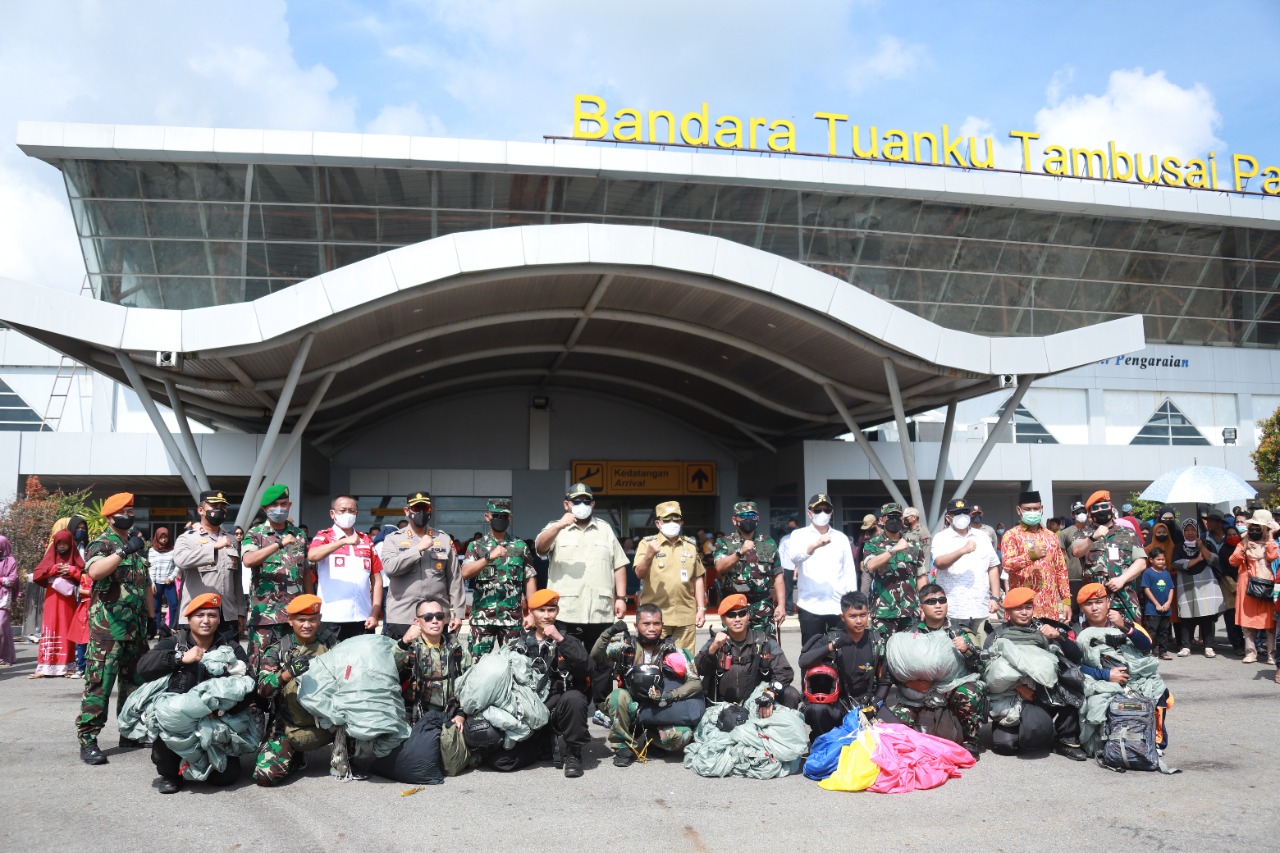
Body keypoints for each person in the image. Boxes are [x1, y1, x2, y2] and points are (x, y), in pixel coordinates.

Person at [135, 593, 251, 793]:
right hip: (178, 721)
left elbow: (249, 686)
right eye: (200, 615)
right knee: (168, 764)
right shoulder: (174, 643)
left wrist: (224, 711)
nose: (206, 621)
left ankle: (206, 762)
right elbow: (143, 667)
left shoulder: (230, 648)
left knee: (225, 778)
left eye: (212, 615)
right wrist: (179, 658)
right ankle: (171, 772)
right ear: (189, 619)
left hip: (216, 720)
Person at [77, 493, 150, 765]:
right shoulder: (103, 543)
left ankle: (129, 732)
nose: (130, 515)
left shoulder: (135, 544)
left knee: (134, 685)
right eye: (124, 511)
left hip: (136, 627)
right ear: (110, 517)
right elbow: (95, 573)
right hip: (108, 628)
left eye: (132, 510)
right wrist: (123, 552)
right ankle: (88, 739)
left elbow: (146, 584)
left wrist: (153, 618)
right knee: (100, 684)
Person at [592, 602, 703, 767]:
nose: (652, 628)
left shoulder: (675, 652)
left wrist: (670, 695)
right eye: (646, 624)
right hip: (633, 707)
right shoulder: (625, 648)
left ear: (662, 625)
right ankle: (623, 745)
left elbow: (695, 683)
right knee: (617, 697)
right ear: (636, 626)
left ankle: (654, 740)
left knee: (682, 737)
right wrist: (609, 632)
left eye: (656, 623)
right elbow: (596, 655)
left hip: (662, 708)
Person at [983, 587, 1086, 760]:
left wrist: (1058, 636)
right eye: (1018, 608)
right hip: (1009, 695)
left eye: (1028, 607)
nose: (1024, 613)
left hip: (1044, 691)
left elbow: (1076, 657)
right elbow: (986, 671)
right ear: (1007, 612)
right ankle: (1026, 727)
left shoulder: (1045, 629)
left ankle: (1066, 740)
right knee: (1006, 746)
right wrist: (1018, 687)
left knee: (1071, 681)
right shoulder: (996, 635)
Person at [888, 583, 988, 759]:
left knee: (970, 692)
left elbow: (981, 668)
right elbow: (894, 667)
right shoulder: (909, 634)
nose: (938, 605)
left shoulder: (960, 632)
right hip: (918, 695)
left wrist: (967, 651)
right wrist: (908, 683)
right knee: (893, 727)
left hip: (952, 692)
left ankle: (970, 740)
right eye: (931, 601)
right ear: (921, 607)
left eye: (942, 600)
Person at [253, 594, 341, 786]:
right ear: (290, 620)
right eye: (301, 620)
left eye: (312, 620)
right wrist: (287, 674)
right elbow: (262, 690)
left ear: (319, 619)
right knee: (266, 775)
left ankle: (346, 757)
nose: (307, 625)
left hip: (330, 721)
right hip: (288, 723)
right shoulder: (278, 650)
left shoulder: (331, 646)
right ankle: (295, 757)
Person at [1075, 582, 1172, 751]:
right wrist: (1105, 674)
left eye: (1099, 602)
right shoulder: (1076, 631)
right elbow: (1073, 666)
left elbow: (1146, 645)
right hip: (1099, 679)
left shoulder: (1122, 622)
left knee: (1157, 688)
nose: (1095, 608)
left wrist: (1124, 627)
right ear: (1082, 608)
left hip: (1133, 677)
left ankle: (1155, 740)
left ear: (1108, 603)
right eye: (1088, 604)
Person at [534, 483, 628, 653]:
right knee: (569, 665)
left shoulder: (605, 529)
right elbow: (540, 547)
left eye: (586, 501)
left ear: (593, 504)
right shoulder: (556, 527)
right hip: (566, 611)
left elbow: (619, 565)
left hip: (601, 612)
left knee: (601, 667)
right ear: (566, 505)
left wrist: (621, 597)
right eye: (576, 501)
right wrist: (559, 526)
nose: (581, 505)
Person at [797, 591, 893, 739]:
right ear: (843, 617)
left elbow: (885, 681)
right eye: (853, 616)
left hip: (866, 704)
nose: (859, 621)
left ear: (869, 614)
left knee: (900, 733)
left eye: (863, 615)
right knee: (816, 710)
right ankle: (822, 741)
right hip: (837, 705)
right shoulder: (832, 638)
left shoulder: (877, 641)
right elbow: (803, 662)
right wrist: (831, 647)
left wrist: (874, 705)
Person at [521, 589, 592, 777]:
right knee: (506, 761)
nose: (546, 615)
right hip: (530, 707)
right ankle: (539, 743)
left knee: (575, 698)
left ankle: (574, 753)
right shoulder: (521, 641)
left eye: (551, 610)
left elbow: (587, 667)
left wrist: (561, 640)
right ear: (531, 612)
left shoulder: (569, 637)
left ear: (557, 611)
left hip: (559, 706)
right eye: (541, 610)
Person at [241, 484, 312, 669]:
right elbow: (248, 560)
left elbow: (305, 574)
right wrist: (278, 544)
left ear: (289, 505)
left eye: (283, 503)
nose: (279, 508)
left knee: (294, 662)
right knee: (260, 664)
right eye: (273, 505)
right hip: (265, 616)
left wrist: (310, 607)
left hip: (294, 615)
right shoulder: (255, 534)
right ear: (265, 509)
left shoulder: (299, 535)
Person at [379, 491, 463, 641]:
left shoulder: (443, 539)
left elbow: (454, 579)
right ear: (407, 511)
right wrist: (417, 549)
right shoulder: (393, 539)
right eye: (417, 509)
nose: (421, 513)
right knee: (403, 661)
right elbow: (390, 568)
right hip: (403, 616)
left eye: (425, 509)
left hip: (436, 617)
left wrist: (457, 614)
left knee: (438, 661)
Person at [695, 593, 800, 711]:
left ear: (748, 616)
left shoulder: (764, 641)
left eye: (742, 613)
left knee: (792, 694)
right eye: (731, 615)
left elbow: (785, 671)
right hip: (724, 707)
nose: (737, 619)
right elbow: (697, 669)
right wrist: (713, 649)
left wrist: (771, 692)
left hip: (760, 702)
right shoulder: (716, 642)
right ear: (723, 619)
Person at [461, 498, 534, 655]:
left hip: (512, 619)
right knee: (477, 666)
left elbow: (530, 578)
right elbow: (465, 573)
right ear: (487, 517)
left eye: (503, 516)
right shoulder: (476, 546)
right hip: (482, 618)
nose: (499, 519)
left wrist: (532, 612)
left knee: (514, 666)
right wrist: (489, 557)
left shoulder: (520, 547)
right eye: (496, 515)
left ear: (510, 518)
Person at [308, 495, 384, 642]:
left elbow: (377, 580)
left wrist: (374, 613)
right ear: (332, 514)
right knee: (332, 663)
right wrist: (343, 542)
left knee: (361, 663)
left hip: (362, 617)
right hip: (331, 618)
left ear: (356, 513)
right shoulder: (324, 536)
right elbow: (312, 555)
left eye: (351, 511)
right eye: (342, 510)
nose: (347, 514)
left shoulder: (366, 540)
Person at [634, 500, 706, 653]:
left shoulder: (690, 545)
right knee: (653, 661)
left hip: (685, 614)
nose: (671, 523)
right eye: (667, 519)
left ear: (681, 523)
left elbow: (698, 577)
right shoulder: (647, 544)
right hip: (655, 617)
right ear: (658, 524)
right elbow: (639, 573)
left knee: (685, 663)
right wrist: (649, 555)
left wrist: (701, 608)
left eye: (675, 519)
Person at [172, 490, 245, 639]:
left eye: (222, 507)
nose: (219, 510)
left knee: (229, 659)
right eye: (214, 506)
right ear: (201, 510)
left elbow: (237, 581)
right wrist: (213, 548)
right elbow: (180, 560)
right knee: (197, 660)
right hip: (198, 614)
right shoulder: (188, 538)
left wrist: (240, 612)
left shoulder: (231, 540)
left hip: (227, 614)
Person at [787, 493, 858, 644]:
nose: (822, 513)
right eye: (818, 510)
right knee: (811, 653)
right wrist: (814, 545)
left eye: (826, 509)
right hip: (810, 605)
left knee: (841, 652)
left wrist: (852, 602)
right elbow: (794, 557)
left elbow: (849, 572)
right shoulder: (799, 535)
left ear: (832, 512)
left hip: (837, 605)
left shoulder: (841, 538)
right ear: (809, 513)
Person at [931, 497, 1001, 646]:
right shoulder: (941, 537)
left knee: (984, 647)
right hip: (953, 607)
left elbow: (993, 566)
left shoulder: (982, 536)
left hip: (980, 605)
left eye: (964, 512)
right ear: (948, 517)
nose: (961, 516)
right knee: (953, 649)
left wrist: (995, 597)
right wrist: (962, 550)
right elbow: (939, 563)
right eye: (957, 513)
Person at [1069, 490, 1147, 624]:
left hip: (1125, 600)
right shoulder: (1082, 534)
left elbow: (1141, 562)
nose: (1100, 510)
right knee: (1097, 641)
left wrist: (1122, 579)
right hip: (1095, 604)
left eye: (1104, 506)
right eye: (1095, 508)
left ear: (1112, 508)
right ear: (1090, 513)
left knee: (1131, 640)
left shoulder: (1128, 533)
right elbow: (1077, 551)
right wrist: (1093, 537)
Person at [393, 595, 472, 725]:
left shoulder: (456, 648)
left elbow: (470, 684)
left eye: (439, 616)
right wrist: (404, 642)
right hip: (415, 717)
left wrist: (461, 714)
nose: (435, 621)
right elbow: (390, 670)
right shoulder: (408, 648)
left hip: (451, 715)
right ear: (417, 622)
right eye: (428, 617)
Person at [712, 501, 785, 635]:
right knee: (736, 650)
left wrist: (781, 605)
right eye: (744, 516)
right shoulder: (724, 542)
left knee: (766, 649)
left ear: (757, 518)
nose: (749, 520)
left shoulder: (768, 542)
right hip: (735, 608)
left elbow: (778, 576)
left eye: (752, 516)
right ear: (735, 520)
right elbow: (720, 567)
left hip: (762, 607)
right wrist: (739, 552)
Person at [999, 490, 1071, 623]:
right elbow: (1007, 565)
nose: (1032, 512)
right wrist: (1030, 556)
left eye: (1036, 508)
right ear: (1019, 510)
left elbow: (1061, 570)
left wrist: (1066, 601)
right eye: (1028, 509)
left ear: (1041, 509)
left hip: (1049, 607)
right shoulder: (1012, 535)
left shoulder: (1051, 536)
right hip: (1022, 609)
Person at [862, 502, 924, 638]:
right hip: (883, 612)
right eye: (890, 516)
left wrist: (924, 603)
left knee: (909, 654)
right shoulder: (872, 544)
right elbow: (871, 566)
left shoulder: (914, 545)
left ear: (902, 520)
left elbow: (921, 576)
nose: (894, 520)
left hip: (910, 611)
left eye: (897, 516)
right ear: (882, 520)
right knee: (883, 653)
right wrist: (893, 550)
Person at [1228, 509, 1278, 665]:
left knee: (1270, 623)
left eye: (1258, 528)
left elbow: (1272, 556)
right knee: (1248, 622)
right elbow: (1233, 561)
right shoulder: (1243, 542)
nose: (1254, 530)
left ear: (1265, 529)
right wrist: (1244, 548)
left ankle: (1271, 654)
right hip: (1247, 585)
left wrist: (1269, 539)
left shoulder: (1272, 543)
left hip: (1267, 585)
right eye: (1252, 527)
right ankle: (1250, 653)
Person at [32, 528, 83, 678]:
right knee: (50, 626)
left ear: (70, 544)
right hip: (52, 597)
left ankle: (67, 665)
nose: (61, 546)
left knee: (66, 627)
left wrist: (71, 570)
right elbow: (37, 573)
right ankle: (46, 665)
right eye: (59, 543)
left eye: (64, 543)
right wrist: (53, 569)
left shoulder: (75, 557)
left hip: (67, 598)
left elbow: (85, 575)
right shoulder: (50, 557)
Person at [1170, 518, 1224, 658]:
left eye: (1193, 530)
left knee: (1208, 616)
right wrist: (1198, 560)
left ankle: (1209, 646)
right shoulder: (1179, 547)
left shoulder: (1206, 544)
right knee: (1187, 617)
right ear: (1183, 532)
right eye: (1187, 530)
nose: (1190, 533)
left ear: (1197, 531)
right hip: (1186, 585)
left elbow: (1214, 560)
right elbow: (1176, 564)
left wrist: (1201, 547)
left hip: (1205, 584)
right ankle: (1186, 646)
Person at [1215, 522, 1247, 656]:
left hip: (1245, 586)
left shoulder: (1244, 548)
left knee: (1244, 620)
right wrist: (1234, 585)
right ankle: (1237, 645)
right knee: (1231, 618)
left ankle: (1246, 644)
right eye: (1229, 535)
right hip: (1229, 587)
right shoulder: (1223, 551)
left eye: (1235, 534)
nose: (1232, 537)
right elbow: (1222, 570)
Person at [1058, 501, 1091, 620]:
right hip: (1073, 577)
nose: (1082, 514)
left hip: (1090, 576)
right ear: (1073, 515)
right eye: (1078, 512)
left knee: (1090, 608)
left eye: (1084, 511)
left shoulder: (1092, 532)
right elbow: (1062, 556)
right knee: (1074, 610)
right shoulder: (1065, 533)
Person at [1140, 550, 1175, 659]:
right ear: (1151, 560)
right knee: (1152, 631)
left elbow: (1171, 588)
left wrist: (1168, 602)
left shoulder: (1166, 573)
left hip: (1166, 608)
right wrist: (1156, 604)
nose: (1161, 562)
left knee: (1164, 631)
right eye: (1158, 559)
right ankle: (1149, 650)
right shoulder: (1148, 573)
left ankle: (1163, 652)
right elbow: (1146, 589)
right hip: (1152, 609)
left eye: (1163, 559)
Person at [147, 527, 178, 638]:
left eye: (165, 537)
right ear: (157, 537)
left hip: (169, 582)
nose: (164, 540)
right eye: (161, 537)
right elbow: (151, 567)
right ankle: (158, 628)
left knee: (174, 604)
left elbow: (177, 566)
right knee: (156, 607)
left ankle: (172, 627)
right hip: (157, 583)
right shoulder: (152, 550)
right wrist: (152, 583)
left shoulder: (173, 550)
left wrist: (171, 577)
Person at [0, 535, 18, 666]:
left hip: (3, 596)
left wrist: (1, 580)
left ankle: (5, 655)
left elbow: (12, 579)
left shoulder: (10, 561)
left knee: (1, 625)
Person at [776, 519, 800, 615]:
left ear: (797, 526)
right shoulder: (785, 539)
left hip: (801, 566)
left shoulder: (802, 538)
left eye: (792, 526)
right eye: (789, 526)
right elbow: (780, 553)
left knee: (804, 587)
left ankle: (802, 609)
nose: (791, 528)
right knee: (789, 589)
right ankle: (789, 609)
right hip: (788, 566)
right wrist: (781, 567)